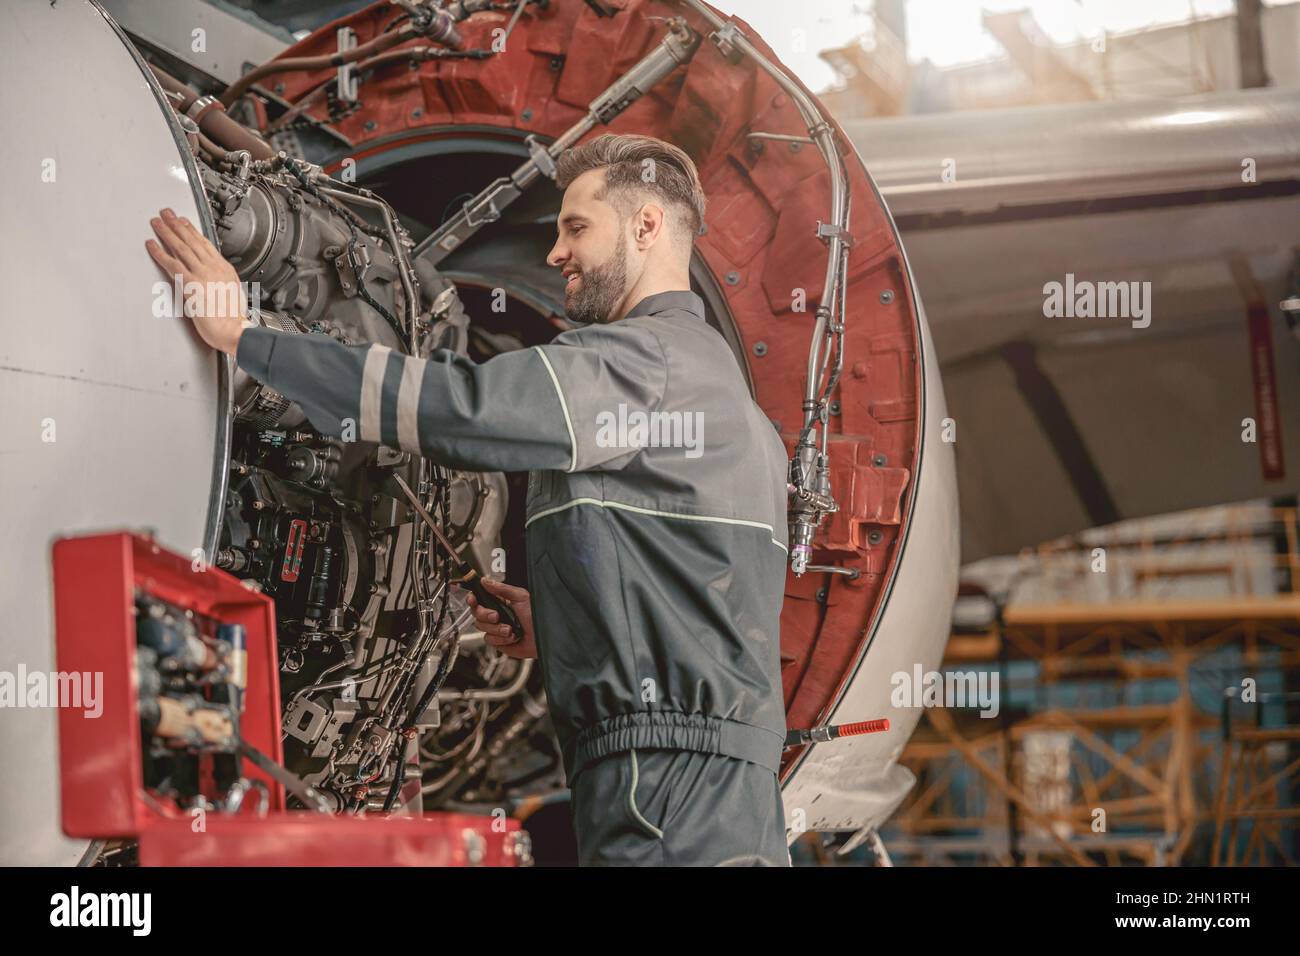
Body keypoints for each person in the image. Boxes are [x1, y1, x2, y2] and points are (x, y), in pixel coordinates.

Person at [146, 132, 792, 866]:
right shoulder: (742, 414)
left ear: (647, 226)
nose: (556, 254)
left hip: (660, 781)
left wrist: (252, 337)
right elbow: (706, 596)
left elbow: (466, 409)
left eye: (577, 227)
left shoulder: (641, 366)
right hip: (730, 783)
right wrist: (559, 623)